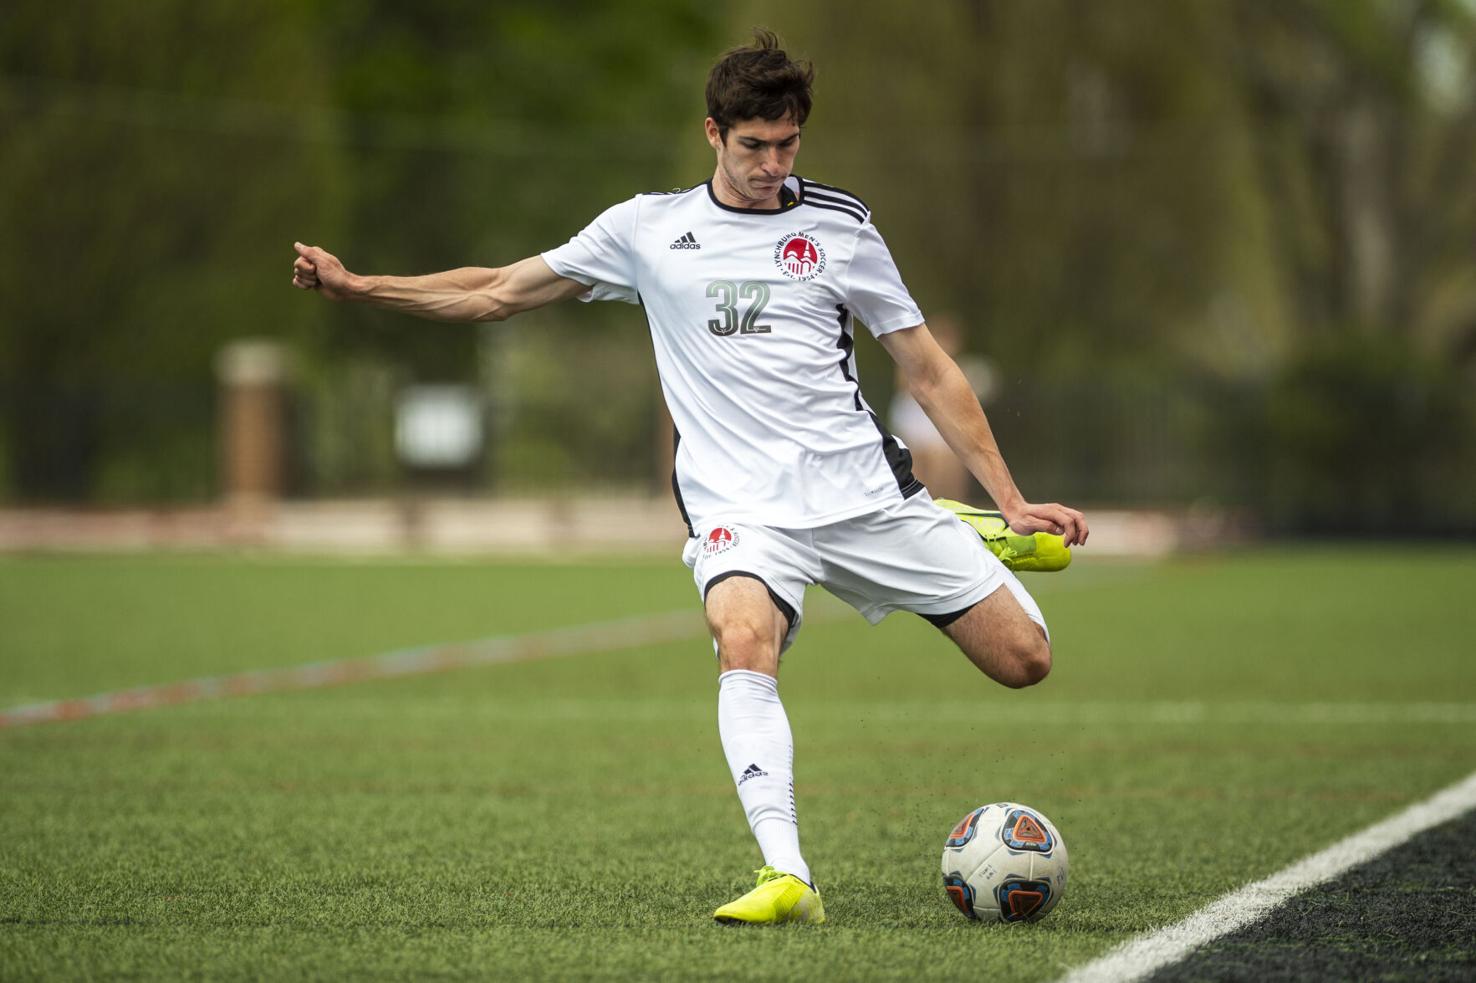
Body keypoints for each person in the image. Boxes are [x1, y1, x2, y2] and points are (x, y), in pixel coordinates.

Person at [291, 30, 1087, 926]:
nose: (772, 165)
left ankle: (960, 523)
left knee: (1027, 661)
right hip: (741, 508)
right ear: (714, 133)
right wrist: (361, 287)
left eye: (788, 145)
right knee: (742, 637)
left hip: (865, 497)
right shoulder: (647, 230)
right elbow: (497, 290)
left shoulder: (841, 228)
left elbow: (928, 369)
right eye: (754, 146)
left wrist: (1011, 500)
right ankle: (788, 874)